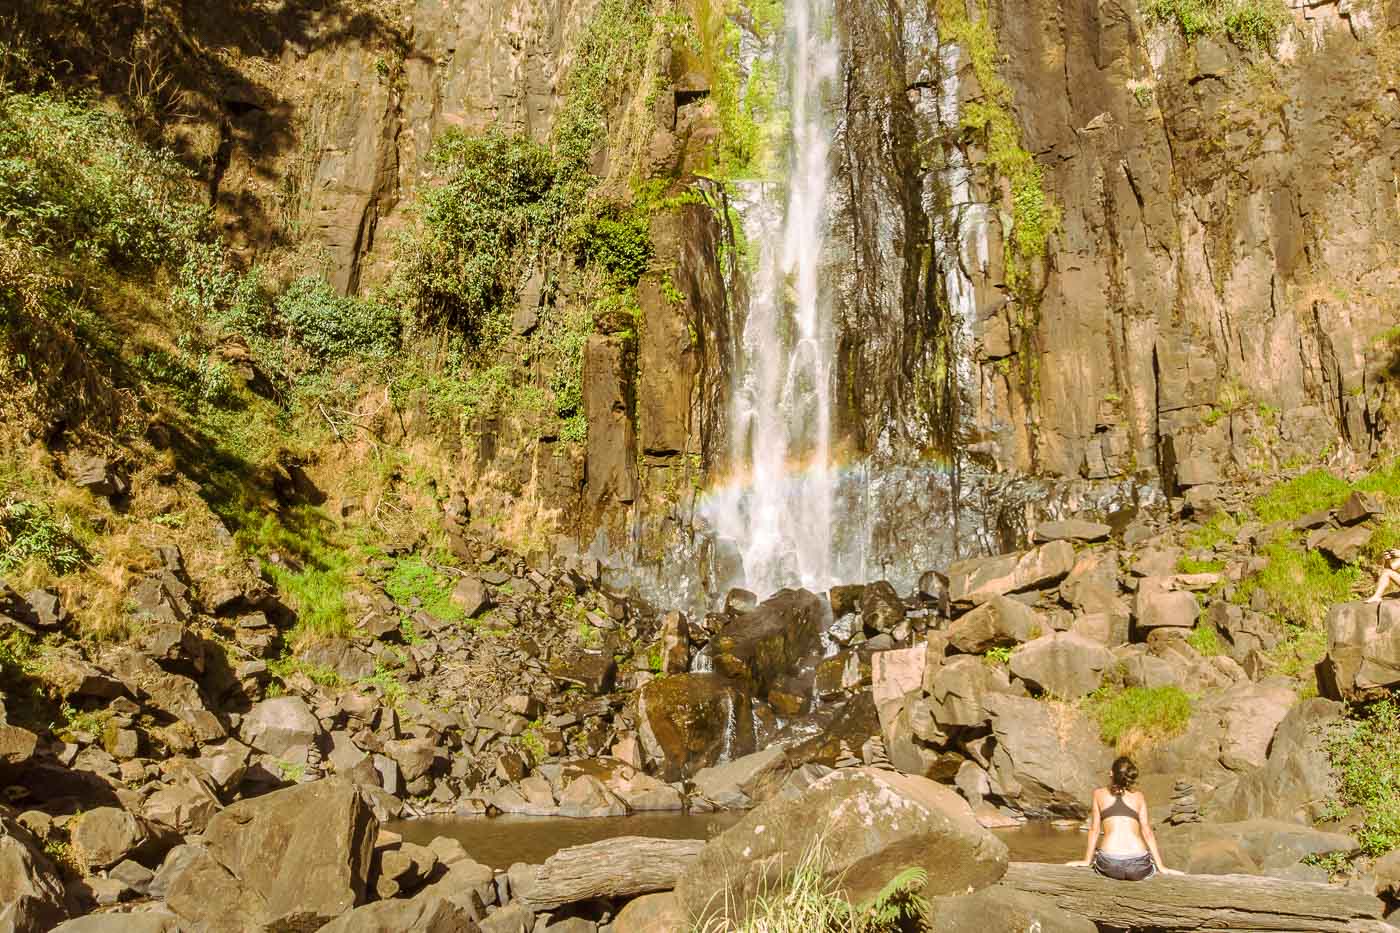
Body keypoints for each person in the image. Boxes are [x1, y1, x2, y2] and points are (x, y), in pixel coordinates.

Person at [1065, 756, 1179, 880]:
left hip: (1110, 863)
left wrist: (1087, 860)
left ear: (1111, 774)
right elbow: (1147, 832)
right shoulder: (1139, 797)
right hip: (1138, 864)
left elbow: (1094, 830)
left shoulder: (1098, 794)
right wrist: (1161, 866)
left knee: (1100, 860)